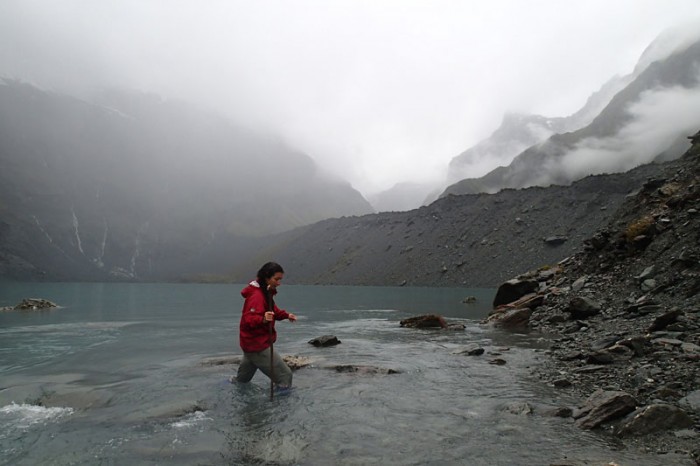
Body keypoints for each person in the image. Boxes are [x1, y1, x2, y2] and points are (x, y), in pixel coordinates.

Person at [235, 261, 297, 389]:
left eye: (280, 279)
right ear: (266, 278)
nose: (279, 282)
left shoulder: (264, 292)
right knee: (285, 376)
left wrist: (286, 315)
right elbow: (249, 319)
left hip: (250, 345)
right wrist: (262, 319)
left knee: (241, 381)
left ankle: (228, 389)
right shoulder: (257, 296)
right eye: (276, 279)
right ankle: (279, 407)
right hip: (258, 346)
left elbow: (272, 310)